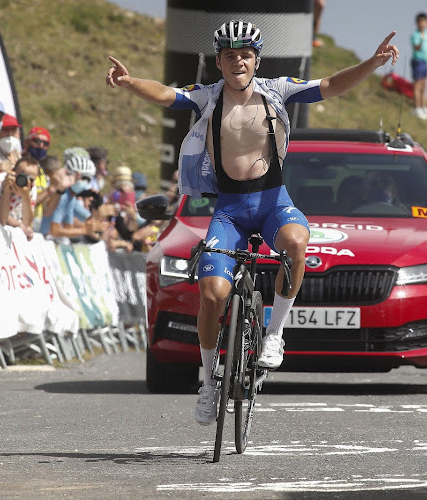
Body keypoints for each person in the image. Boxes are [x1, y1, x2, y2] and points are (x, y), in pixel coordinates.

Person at [106, 20, 399, 425]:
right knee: (211, 295)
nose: (238, 61)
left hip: (273, 202)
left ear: (256, 60)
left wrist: (371, 63)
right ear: (219, 62)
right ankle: (209, 383)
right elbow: (165, 94)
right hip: (228, 210)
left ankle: (275, 333)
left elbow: (331, 85)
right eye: (230, 55)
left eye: (245, 55)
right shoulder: (207, 97)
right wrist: (128, 82)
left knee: (297, 243)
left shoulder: (276, 90)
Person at [39, 147, 103, 240]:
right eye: (84, 179)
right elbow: (54, 231)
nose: (86, 183)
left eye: (88, 180)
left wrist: (98, 209)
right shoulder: (63, 195)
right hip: (42, 239)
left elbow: (69, 227)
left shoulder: (71, 196)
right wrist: (85, 230)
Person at [0, 156, 39, 239]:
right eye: (22, 176)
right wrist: (6, 192)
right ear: (12, 172)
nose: (26, 182)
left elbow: (27, 223)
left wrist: (25, 196)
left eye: (31, 179)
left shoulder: (31, 189)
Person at [410, 12, 427, 120]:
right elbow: (416, 47)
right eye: (420, 22)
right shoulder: (415, 35)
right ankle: (417, 108)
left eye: (424, 22)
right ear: (417, 23)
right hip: (417, 61)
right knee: (417, 85)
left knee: (424, 85)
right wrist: (421, 39)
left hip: (425, 61)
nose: (422, 24)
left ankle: (423, 106)